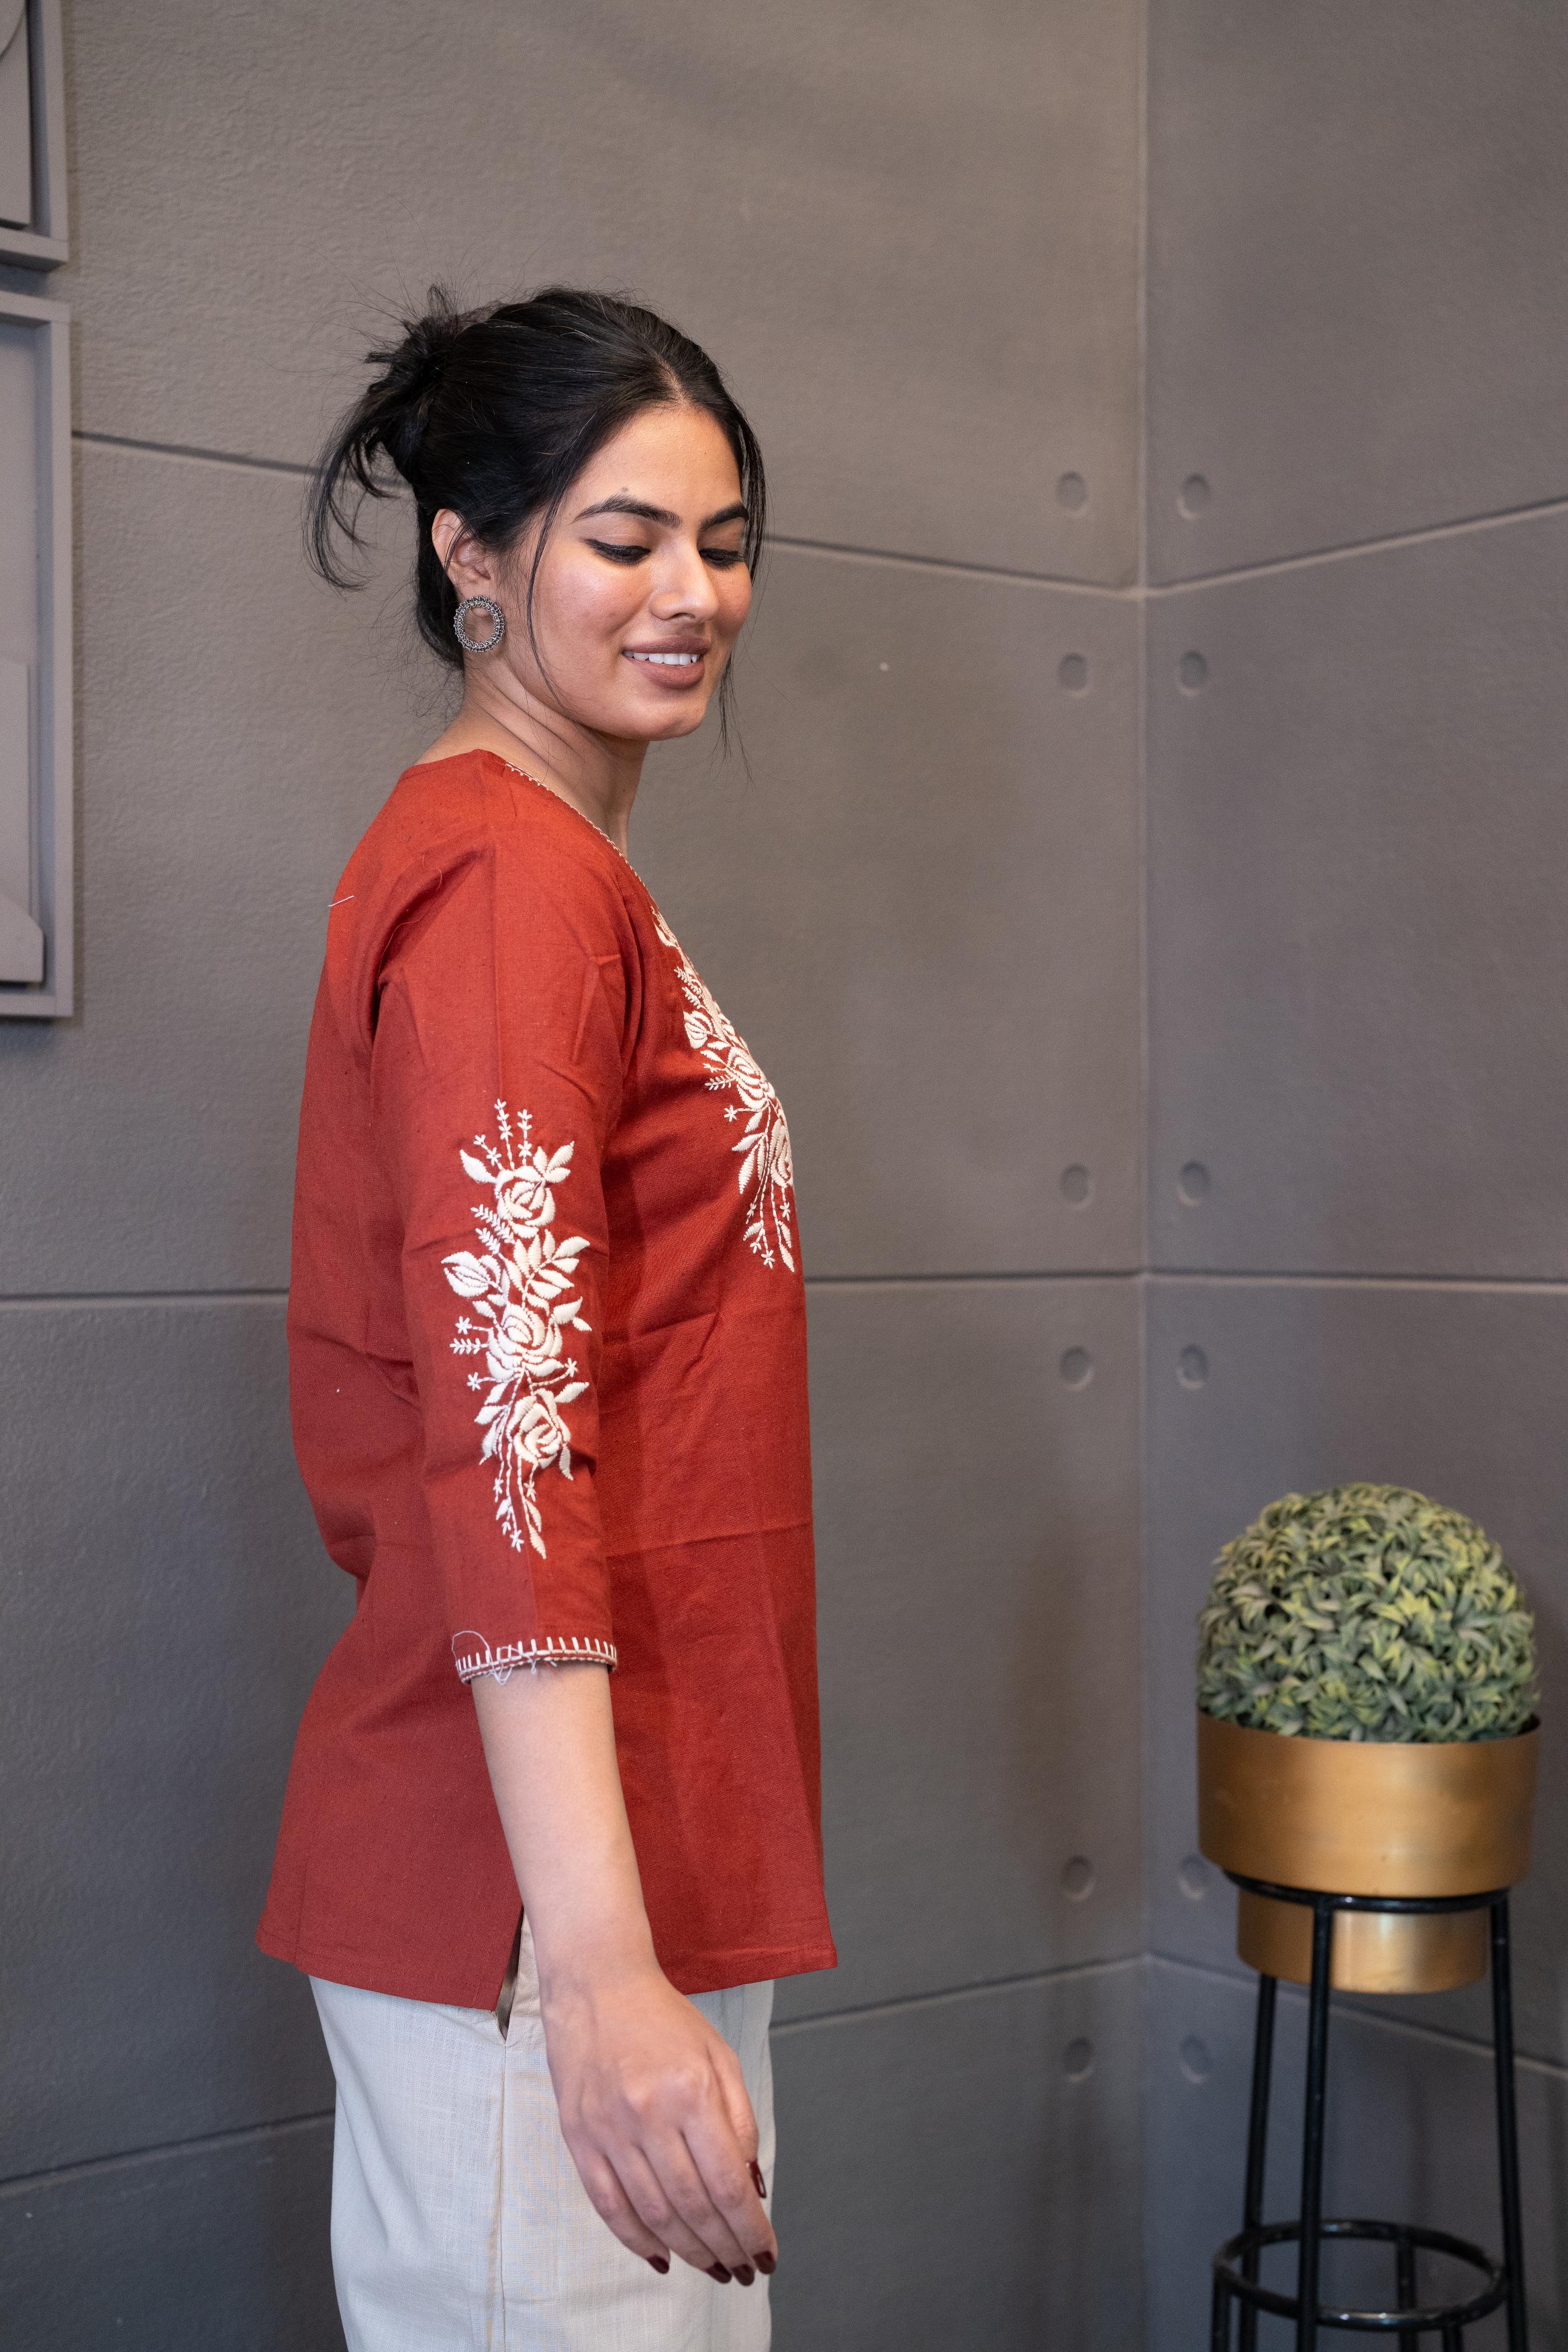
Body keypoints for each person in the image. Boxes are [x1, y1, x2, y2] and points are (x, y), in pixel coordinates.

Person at [257, 285, 836, 2352]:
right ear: (474, 556)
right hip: (537, 1903)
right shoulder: (506, 882)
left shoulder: (544, 868)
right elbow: (508, 1445)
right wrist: (592, 1966)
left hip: (600, 1861)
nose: (694, 593)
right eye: (626, 538)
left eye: (728, 538)